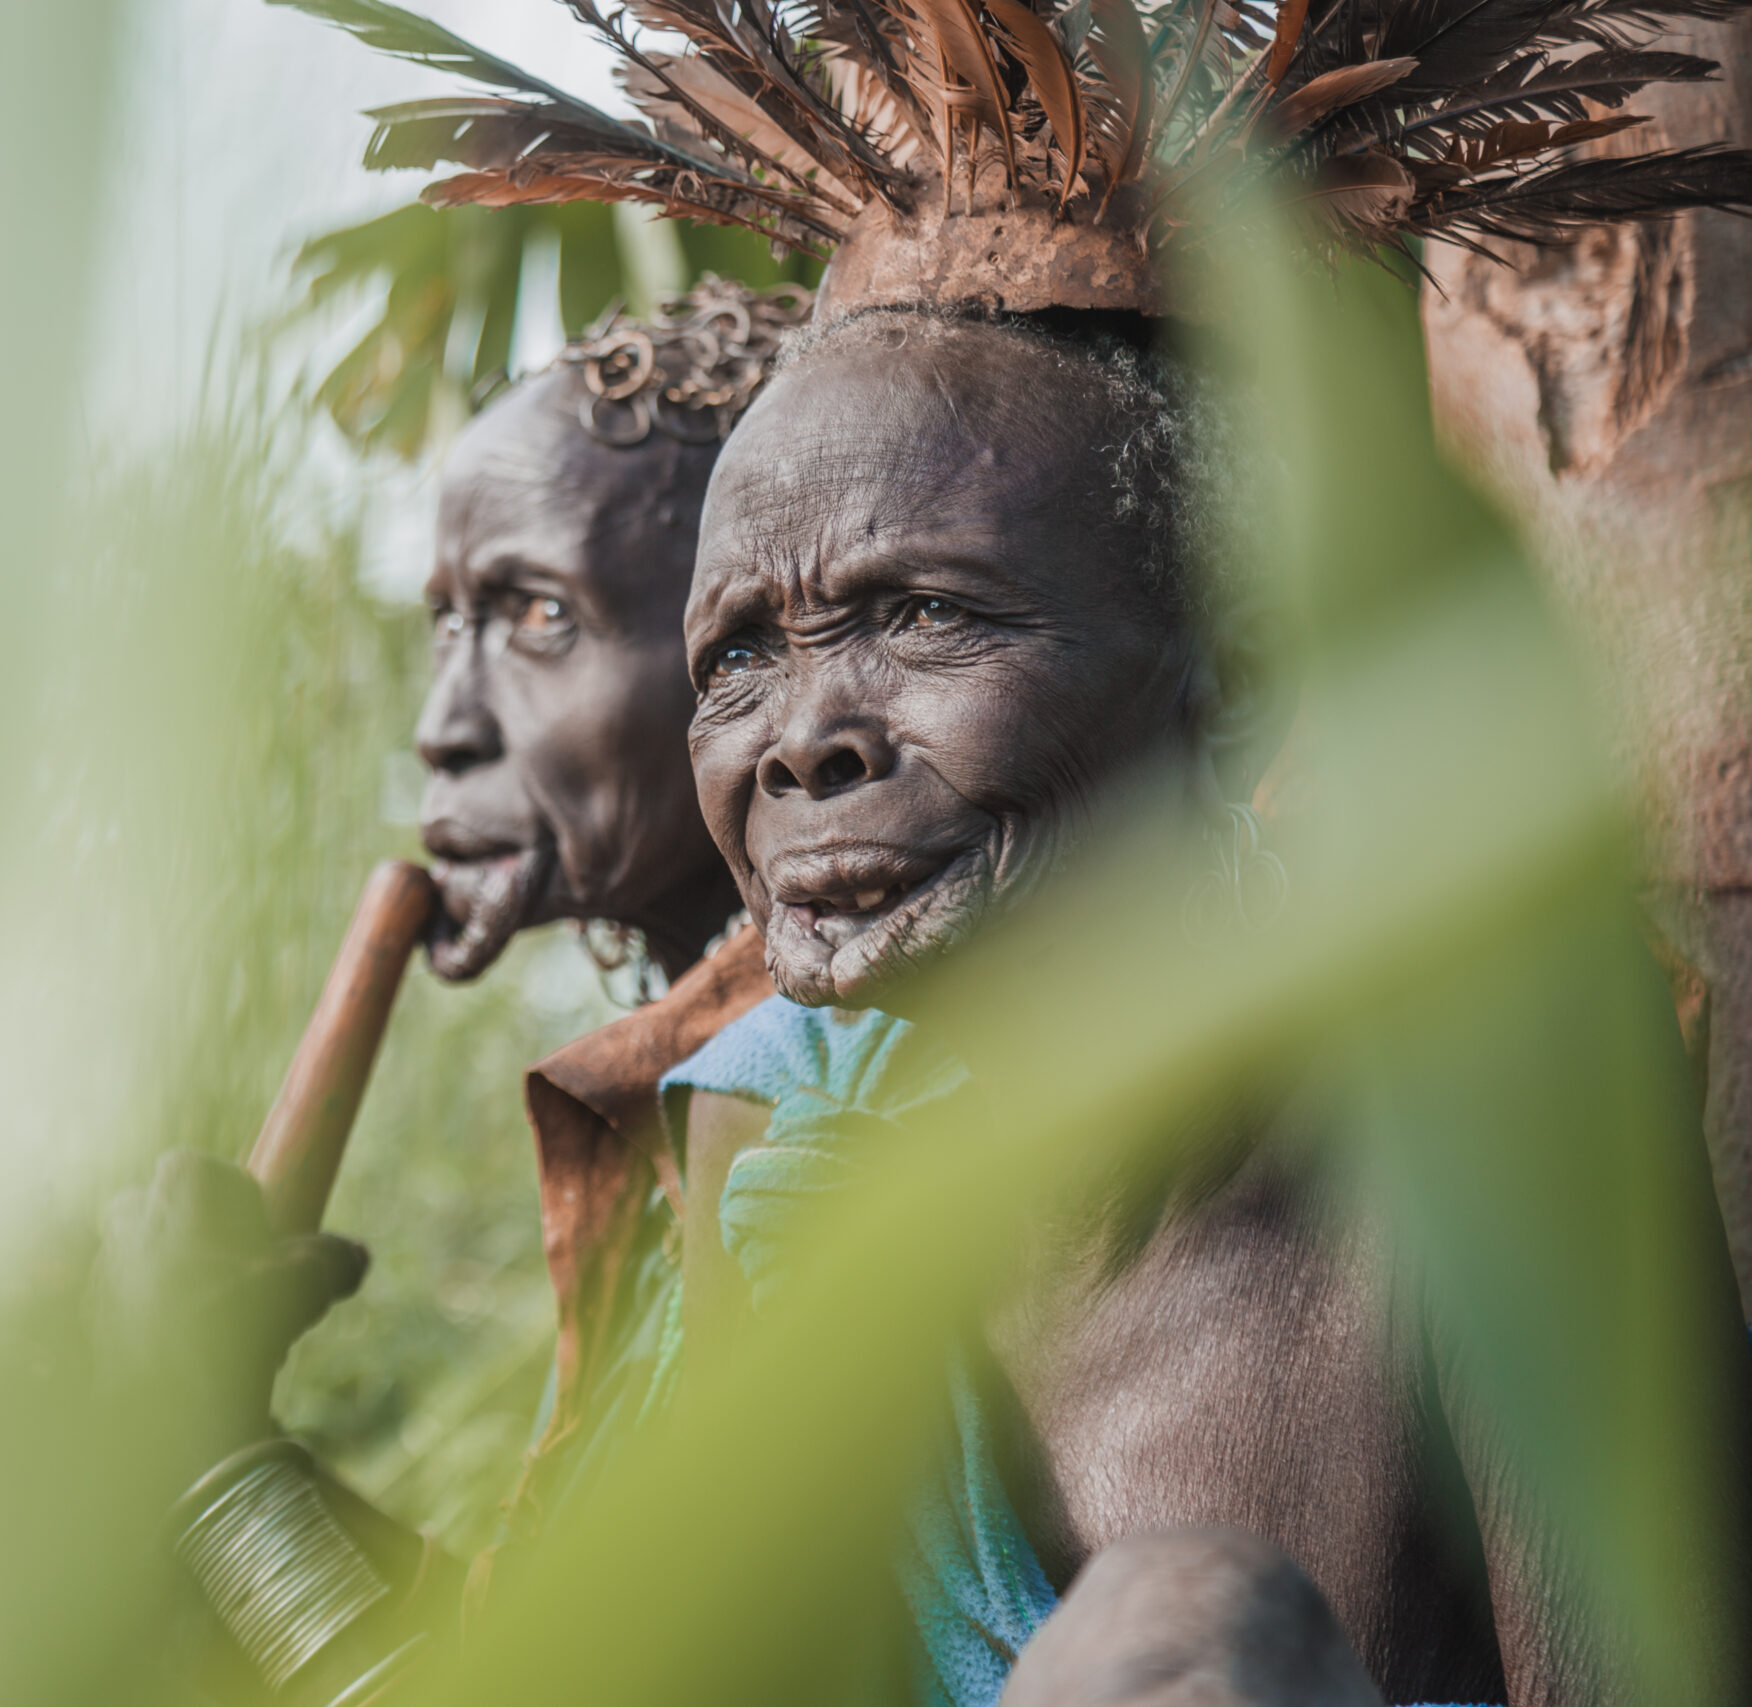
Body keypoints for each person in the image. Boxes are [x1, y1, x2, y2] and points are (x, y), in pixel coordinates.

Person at [153, 2, 1752, 1702]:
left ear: (1240, 679)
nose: (801, 738)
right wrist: (204, 1475)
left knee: (1182, 1629)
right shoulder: (786, 1175)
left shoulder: (1483, 1158)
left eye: (919, 612)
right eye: (739, 655)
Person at [0, 280, 804, 1707]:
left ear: (752, 644)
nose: (441, 723)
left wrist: (211, 1462)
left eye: (538, 616)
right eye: (446, 623)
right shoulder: (671, 1084)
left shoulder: (804, 1086)